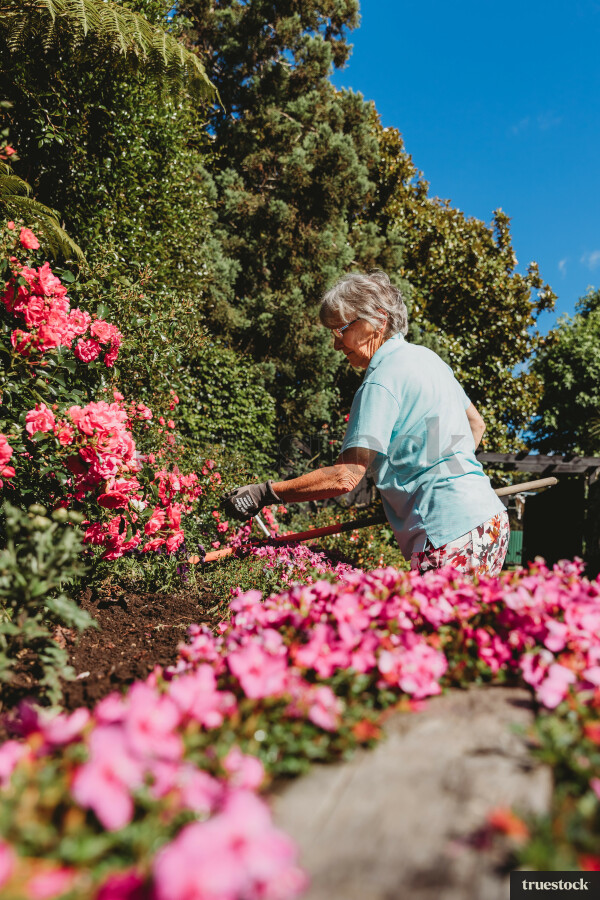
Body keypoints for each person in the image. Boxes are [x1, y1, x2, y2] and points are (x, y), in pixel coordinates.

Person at [223, 271, 509, 576]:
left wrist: (264, 492)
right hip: (488, 521)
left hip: (448, 533)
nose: (336, 345)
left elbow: (344, 477)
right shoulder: (429, 360)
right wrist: (442, 473)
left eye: (341, 330)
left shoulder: (382, 380)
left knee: (420, 623)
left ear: (378, 320)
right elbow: (476, 424)